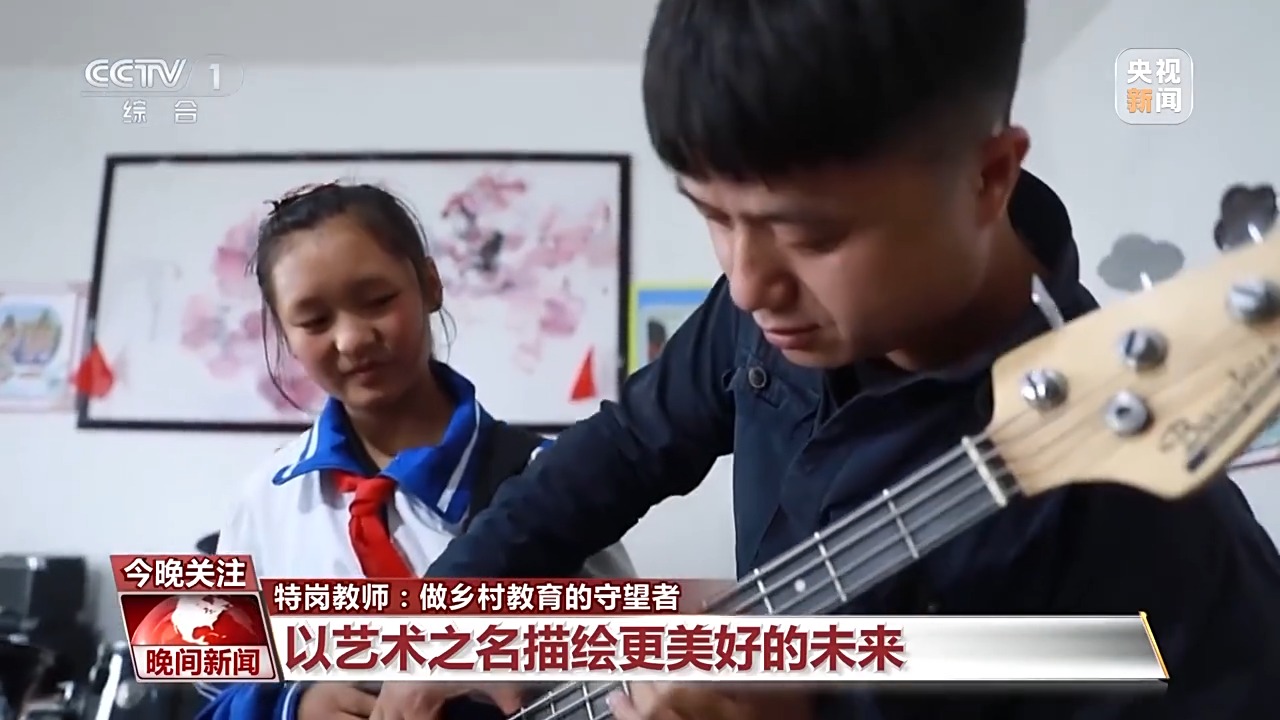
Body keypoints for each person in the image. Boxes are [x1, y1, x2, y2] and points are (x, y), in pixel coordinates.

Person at [378, 0, 1280, 718]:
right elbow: (621, 448)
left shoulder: (1151, 516)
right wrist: (444, 617)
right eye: (714, 216)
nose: (746, 285)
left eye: (810, 235)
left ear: (987, 177)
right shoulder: (773, 309)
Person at [194, 182, 634, 720]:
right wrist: (294, 706)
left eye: (378, 301)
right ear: (284, 334)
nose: (352, 339)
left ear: (429, 284)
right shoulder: (263, 499)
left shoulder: (553, 481)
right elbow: (207, 695)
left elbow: (631, 682)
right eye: (314, 321)